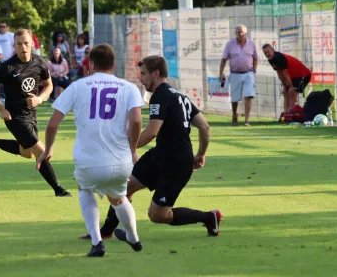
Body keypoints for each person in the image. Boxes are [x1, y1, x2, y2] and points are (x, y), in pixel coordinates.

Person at [84, 55, 222, 241]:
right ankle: (105, 232)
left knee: (157, 215)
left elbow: (151, 132)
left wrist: (126, 148)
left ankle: (209, 217)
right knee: (123, 188)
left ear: (156, 74)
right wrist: (200, 154)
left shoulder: (160, 96)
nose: (140, 79)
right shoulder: (179, 96)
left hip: (176, 163)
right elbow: (204, 127)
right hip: (160, 156)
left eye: (143, 74)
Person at [37, 44, 143, 257]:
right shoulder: (129, 87)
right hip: (121, 160)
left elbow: (52, 124)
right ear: (113, 64)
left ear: (91, 64)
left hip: (89, 160)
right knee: (119, 197)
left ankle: (97, 242)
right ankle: (133, 237)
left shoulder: (78, 86)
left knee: (85, 189)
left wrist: (47, 149)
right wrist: (132, 149)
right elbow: (137, 121)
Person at [0, 29, 71, 197]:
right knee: (41, 152)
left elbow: (49, 85)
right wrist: (1, 109)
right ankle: (58, 189)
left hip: (31, 115)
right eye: (19, 44)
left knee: (26, 153)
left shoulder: (39, 62)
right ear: (14, 46)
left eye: (26, 43)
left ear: (32, 44)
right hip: (14, 117)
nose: (23, 47)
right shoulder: (8, 67)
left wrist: (39, 99)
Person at [219, 25, 258, 126]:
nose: (240, 34)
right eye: (238, 32)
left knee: (249, 95)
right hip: (235, 74)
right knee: (235, 98)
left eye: (242, 33)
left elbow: (255, 58)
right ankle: (234, 114)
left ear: (246, 33)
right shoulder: (230, 44)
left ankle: (246, 120)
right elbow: (224, 59)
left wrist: (254, 70)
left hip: (248, 73)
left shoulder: (252, 44)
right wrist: (221, 73)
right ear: (235, 33)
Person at [262, 44, 312, 111]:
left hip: (303, 75)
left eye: (268, 52)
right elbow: (279, 74)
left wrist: (290, 87)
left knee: (292, 93)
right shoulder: (271, 60)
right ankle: (286, 114)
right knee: (286, 93)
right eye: (265, 53)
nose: (267, 54)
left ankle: (292, 113)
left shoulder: (279, 58)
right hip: (293, 76)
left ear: (273, 50)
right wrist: (285, 86)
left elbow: (285, 74)